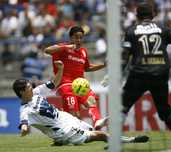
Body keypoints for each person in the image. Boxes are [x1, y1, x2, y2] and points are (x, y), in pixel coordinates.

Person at [12, 60, 149, 146]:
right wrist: (24, 130)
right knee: (99, 136)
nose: (31, 85)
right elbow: (24, 124)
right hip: (63, 130)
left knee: (91, 130)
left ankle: (61, 142)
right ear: (22, 92)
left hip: (65, 118)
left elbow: (54, 83)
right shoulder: (25, 110)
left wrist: (60, 69)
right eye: (28, 86)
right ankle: (132, 140)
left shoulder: (36, 92)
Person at [121, 3, 171, 149]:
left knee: (122, 106)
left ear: (137, 16)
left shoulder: (131, 31)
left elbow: (124, 57)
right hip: (160, 73)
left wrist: (117, 73)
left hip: (139, 74)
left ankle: (114, 140)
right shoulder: (163, 29)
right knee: (164, 109)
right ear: (153, 15)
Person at [44, 26, 107, 130]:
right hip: (65, 85)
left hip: (80, 84)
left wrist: (103, 65)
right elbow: (47, 50)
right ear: (70, 38)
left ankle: (97, 121)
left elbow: (87, 67)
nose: (78, 40)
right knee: (75, 116)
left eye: (81, 38)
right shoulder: (63, 47)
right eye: (76, 37)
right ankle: (62, 132)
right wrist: (66, 47)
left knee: (91, 100)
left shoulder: (83, 52)